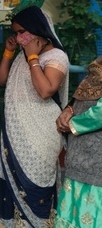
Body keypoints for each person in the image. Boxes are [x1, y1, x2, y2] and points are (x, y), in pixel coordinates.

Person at [0, 5, 69, 227]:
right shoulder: (22, 55)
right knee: (12, 182)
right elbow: (1, 80)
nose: (19, 38)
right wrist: (9, 54)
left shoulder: (57, 56)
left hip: (42, 133)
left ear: (38, 29)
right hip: (16, 133)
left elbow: (46, 91)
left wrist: (33, 57)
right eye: (15, 33)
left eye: (22, 32)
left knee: (36, 182)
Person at [55, 56, 102, 228]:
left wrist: (73, 124)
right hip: (80, 154)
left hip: (97, 159)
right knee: (73, 208)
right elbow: (82, 96)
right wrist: (70, 108)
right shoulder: (97, 66)